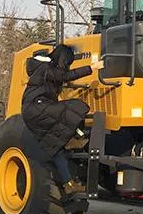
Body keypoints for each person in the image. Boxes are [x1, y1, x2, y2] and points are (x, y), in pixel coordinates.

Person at [21, 44, 104, 198]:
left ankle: (69, 184)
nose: (67, 66)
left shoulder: (44, 70)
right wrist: (93, 67)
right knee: (77, 106)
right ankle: (77, 138)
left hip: (32, 112)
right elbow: (66, 76)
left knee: (56, 147)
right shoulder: (45, 68)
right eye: (67, 63)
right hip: (37, 108)